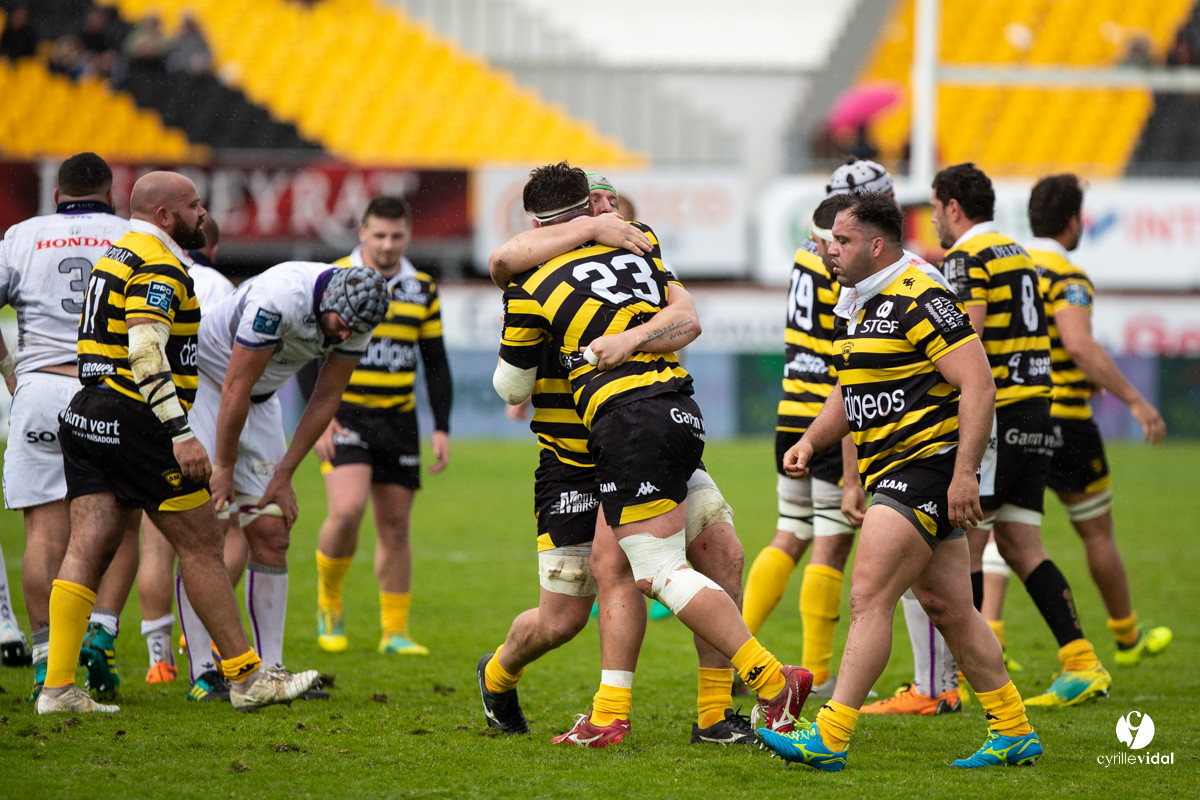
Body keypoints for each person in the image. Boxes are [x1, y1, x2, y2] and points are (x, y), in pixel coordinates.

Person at [494, 162, 811, 738]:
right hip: (576, 458)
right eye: (599, 207)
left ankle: (707, 710)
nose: (610, 214)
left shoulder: (637, 252)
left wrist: (628, 338)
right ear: (581, 215)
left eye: (614, 207)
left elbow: (687, 318)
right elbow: (502, 265)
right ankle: (499, 676)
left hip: (634, 426)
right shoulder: (530, 277)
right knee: (562, 619)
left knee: (711, 554)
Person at [761, 191, 1040, 770]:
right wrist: (812, 440)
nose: (831, 250)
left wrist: (964, 474)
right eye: (831, 240)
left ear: (876, 245)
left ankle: (830, 735)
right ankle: (1014, 729)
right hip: (893, 469)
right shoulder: (856, 301)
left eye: (842, 241)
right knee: (949, 607)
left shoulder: (921, 293)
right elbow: (851, 388)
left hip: (927, 466)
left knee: (868, 595)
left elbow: (978, 383)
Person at [38, 170, 319, 713]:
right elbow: (146, 352)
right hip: (138, 419)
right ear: (164, 215)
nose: (202, 213)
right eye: (193, 205)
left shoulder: (117, 253)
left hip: (89, 408)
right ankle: (247, 677)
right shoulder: (160, 265)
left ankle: (57, 687)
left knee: (86, 547)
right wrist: (181, 433)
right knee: (203, 544)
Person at [930, 162, 1110, 707]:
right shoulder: (1016, 252)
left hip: (1000, 412)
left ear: (953, 208)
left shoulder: (966, 257)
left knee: (965, 542)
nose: (933, 220)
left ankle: (959, 680)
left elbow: (967, 335)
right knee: (1019, 542)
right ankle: (1081, 660)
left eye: (935, 209)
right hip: (1038, 409)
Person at [174, 258, 388, 698]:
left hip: (259, 398)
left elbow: (326, 397)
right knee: (209, 528)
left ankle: (271, 668)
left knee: (273, 531)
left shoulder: (357, 317)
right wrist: (225, 467)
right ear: (329, 298)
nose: (344, 335)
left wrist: (285, 473)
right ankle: (203, 673)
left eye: (354, 330)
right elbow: (234, 386)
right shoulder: (280, 297)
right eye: (341, 325)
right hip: (209, 387)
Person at [980, 174, 1170, 666]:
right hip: (1064, 419)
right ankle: (1126, 636)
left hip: (1011, 416)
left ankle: (992, 633)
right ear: (1072, 222)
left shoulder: (1009, 265)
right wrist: (1135, 400)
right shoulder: (1068, 276)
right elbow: (1080, 344)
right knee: (1096, 531)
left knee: (1003, 528)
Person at [0, 152, 142, 702]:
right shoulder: (131, 236)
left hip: (39, 387)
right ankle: (99, 631)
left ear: (56, 196)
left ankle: (46, 666)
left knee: (44, 534)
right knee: (118, 528)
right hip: (109, 392)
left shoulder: (22, 236)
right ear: (112, 195)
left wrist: (10, 368)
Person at [313, 196, 452, 657]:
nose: (388, 245)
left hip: (399, 419)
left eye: (396, 236)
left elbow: (435, 362)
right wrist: (319, 419)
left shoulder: (422, 288)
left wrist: (441, 426)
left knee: (395, 528)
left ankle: (395, 632)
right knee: (347, 511)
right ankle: (329, 601)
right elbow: (309, 352)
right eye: (379, 235)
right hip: (345, 414)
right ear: (362, 233)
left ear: (408, 236)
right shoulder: (333, 277)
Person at [136, 215, 237, 687]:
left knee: (155, 543)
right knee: (216, 538)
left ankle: (160, 660)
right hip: (201, 421)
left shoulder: (146, 271)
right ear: (212, 249)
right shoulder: (214, 285)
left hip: (150, 415)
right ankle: (202, 633)